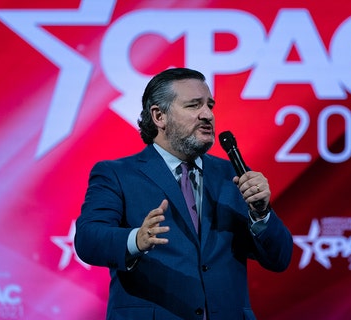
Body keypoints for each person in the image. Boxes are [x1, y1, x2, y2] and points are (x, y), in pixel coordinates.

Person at [75, 67, 293, 320]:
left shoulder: (232, 176)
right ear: (159, 116)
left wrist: (261, 213)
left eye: (210, 105)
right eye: (193, 106)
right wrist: (136, 240)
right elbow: (88, 239)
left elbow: (279, 259)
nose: (207, 115)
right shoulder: (117, 174)